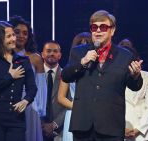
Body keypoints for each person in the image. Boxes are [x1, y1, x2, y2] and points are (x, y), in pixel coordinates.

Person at [61, 10, 143, 140]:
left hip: (111, 125)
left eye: (103, 27)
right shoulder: (78, 52)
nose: (98, 31)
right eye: (94, 27)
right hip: (83, 124)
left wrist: (135, 76)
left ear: (112, 30)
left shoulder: (125, 55)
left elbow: (135, 86)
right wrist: (82, 62)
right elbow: (65, 76)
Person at [0, 21, 37, 141]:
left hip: (16, 119)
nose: (14, 38)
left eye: (13, 35)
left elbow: (32, 87)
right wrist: (10, 76)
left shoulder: (23, 61)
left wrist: (26, 100)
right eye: (9, 36)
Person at [9, 15, 47, 141]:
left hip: (29, 105)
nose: (21, 36)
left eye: (25, 33)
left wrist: (39, 110)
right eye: (17, 32)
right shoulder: (1, 56)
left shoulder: (35, 58)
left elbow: (41, 86)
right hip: (6, 104)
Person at [58, 32, 92, 141]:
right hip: (75, 113)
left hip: (94, 113)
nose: (84, 47)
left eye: (87, 43)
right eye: (80, 44)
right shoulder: (68, 71)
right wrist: (79, 107)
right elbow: (61, 97)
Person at [119, 39, 148, 141]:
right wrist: (121, 128)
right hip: (120, 130)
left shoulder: (147, 76)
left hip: (142, 132)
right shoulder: (114, 76)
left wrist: (138, 129)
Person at [41, 41, 67, 141]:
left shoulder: (67, 75)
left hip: (60, 131)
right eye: (48, 51)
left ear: (59, 55)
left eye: (55, 51)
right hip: (36, 128)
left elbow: (70, 102)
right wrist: (41, 124)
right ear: (42, 54)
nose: (52, 53)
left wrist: (54, 124)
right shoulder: (34, 75)